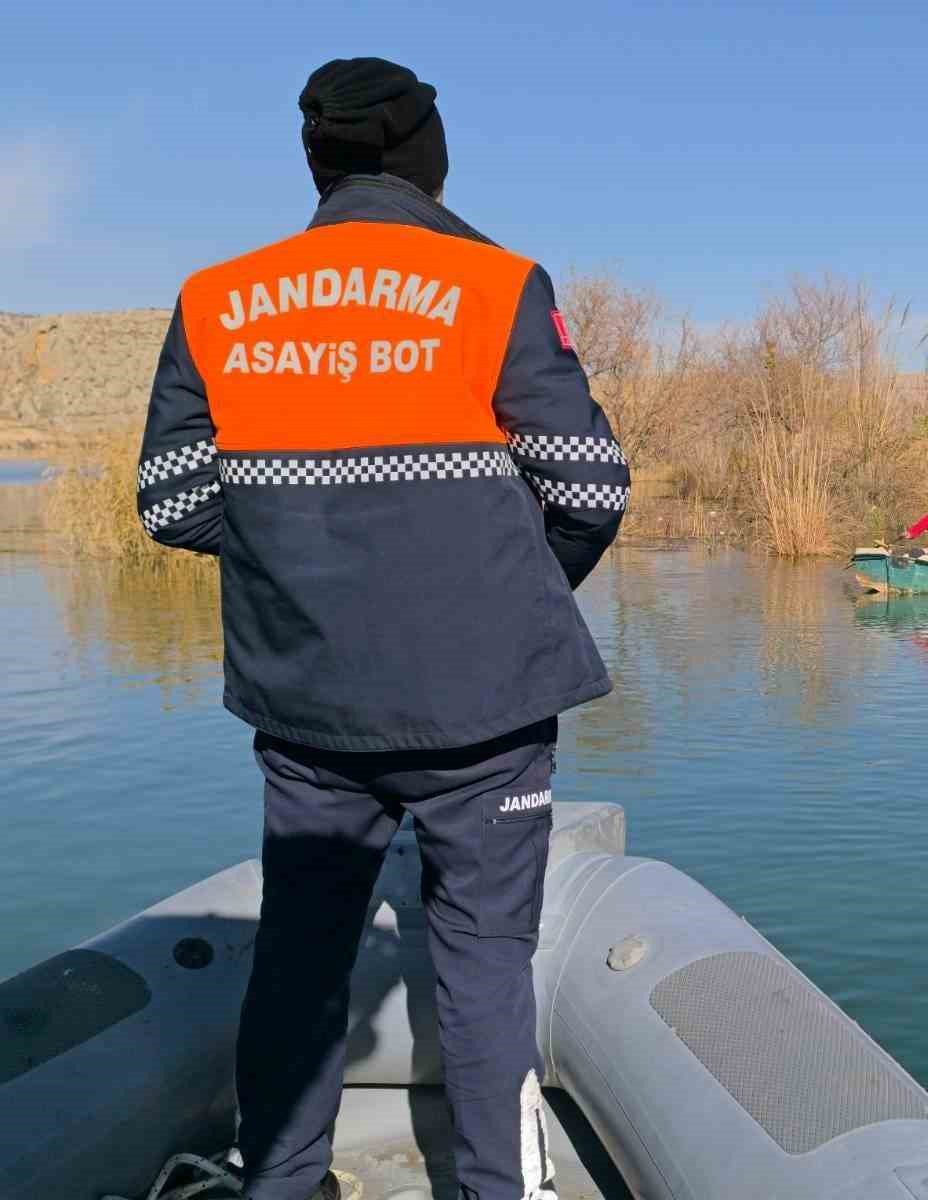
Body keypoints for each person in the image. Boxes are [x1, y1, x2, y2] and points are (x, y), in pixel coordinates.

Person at [135, 57, 629, 1200]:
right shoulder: (495, 285)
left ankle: (282, 1183)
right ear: (429, 158)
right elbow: (587, 490)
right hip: (486, 712)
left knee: (300, 963)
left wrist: (308, 577)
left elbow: (171, 503)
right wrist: (494, 595)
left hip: (308, 713)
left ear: (315, 160)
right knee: (485, 964)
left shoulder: (216, 300)